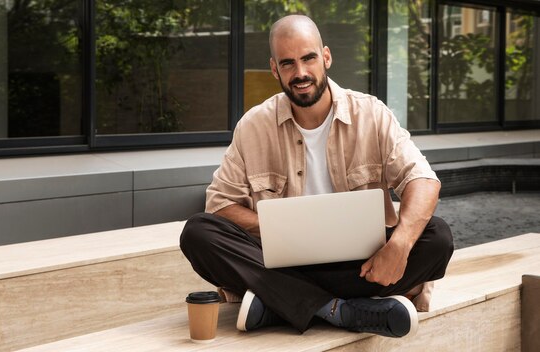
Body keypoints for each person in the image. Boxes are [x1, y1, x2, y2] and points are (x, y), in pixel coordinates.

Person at [179, 14, 453, 338]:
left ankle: (281, 303)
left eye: (308, 58)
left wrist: (400, 244)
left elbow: (422, 180)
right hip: (282, 262)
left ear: (326, 56)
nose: (301, 73)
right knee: (199, 232)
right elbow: (220, 205)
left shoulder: (371, 113)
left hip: (359, 265)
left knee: (437, 237)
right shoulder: (253, 126)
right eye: (288, 63)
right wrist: (276, 227)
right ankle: (340, 310)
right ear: (274, 69)